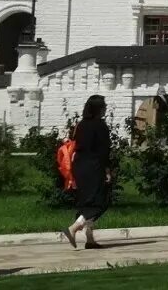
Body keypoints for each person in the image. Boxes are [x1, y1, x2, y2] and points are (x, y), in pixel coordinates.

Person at [63, 95, 112, 250]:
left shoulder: (81, 125)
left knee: (87, 201)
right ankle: (74, 228)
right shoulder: (100, 126)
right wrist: (108, 170)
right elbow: (104, 151)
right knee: (100, 201)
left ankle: (90, 239)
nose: (105, 108)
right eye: (103, 106)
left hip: (79, 166)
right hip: (94, 166)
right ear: (98, 108)